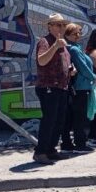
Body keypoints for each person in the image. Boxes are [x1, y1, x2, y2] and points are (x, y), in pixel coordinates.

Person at [33, 14, 72, 165]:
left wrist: (70, 69)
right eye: (57, 24)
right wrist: (55, 46)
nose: (61, 28)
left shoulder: (62, 43)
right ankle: (40, 152)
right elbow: (41, 60)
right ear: (49, 26)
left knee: (59, 120)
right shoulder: (45, 41)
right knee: (49, 120)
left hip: (61, 87)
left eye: (63, 25)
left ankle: (50, 149)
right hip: (48, 86)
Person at [63, 24, 96, 153]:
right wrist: (93, 76)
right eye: (74, 34)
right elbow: (82, 67)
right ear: (67, 35)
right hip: (81, 87)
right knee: (80, 117)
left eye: (79, 33)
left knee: (77, 116)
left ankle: (72, 143)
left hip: (81, 86)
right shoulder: (74, 49)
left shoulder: (76, 47)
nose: (78, 36)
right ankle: (80, 144)